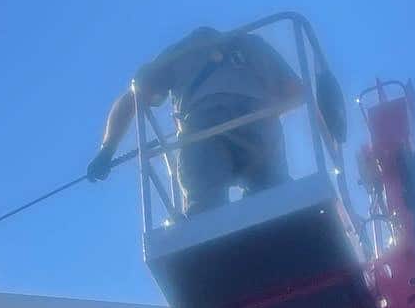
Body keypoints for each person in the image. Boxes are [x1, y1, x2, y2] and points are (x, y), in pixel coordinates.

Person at [87, 26, 303, 215]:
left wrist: (107, 150)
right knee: (275, 197)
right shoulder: (249, 44)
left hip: (202, 129)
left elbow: (133, 98)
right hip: (258, 123)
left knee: (205, 211)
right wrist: (266, 112)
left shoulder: (180, 53)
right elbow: (296, 92)